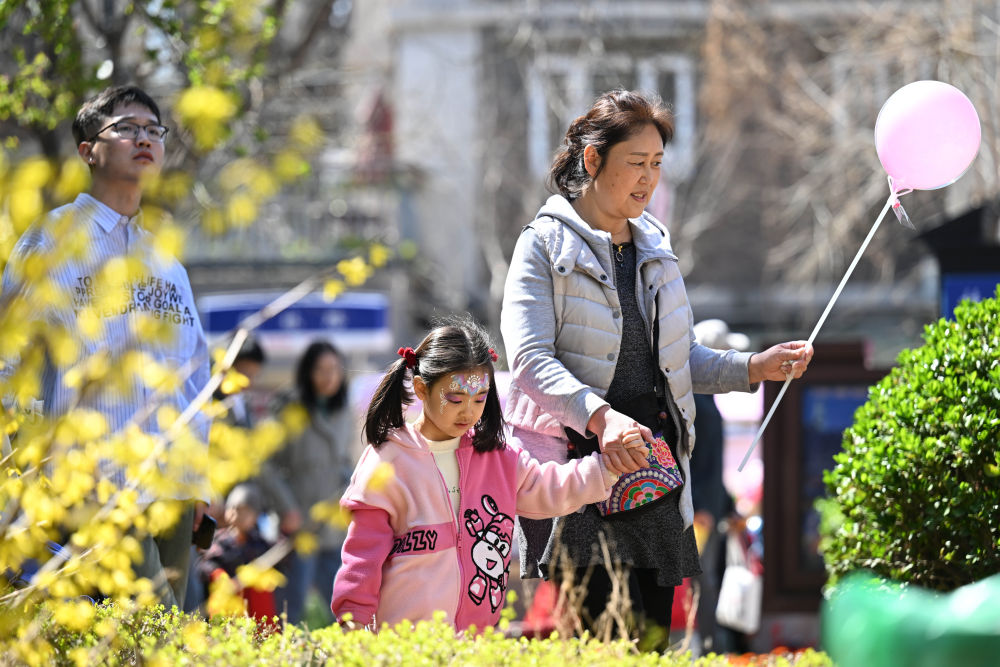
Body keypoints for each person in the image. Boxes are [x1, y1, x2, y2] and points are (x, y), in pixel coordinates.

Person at [500, 89, 813, 642]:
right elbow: (528, 359)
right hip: (579, 478)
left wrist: (753, 368)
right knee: (599, 644)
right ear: (593, 159)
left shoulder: (657, 247)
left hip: (654, 474)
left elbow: (680, 360)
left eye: (657, 164)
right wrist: (601, 418)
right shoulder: (542, 244)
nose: (648, 179)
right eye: (636, 163)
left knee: (650, 643)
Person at [0, 85, 212, 609]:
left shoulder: (168, 262)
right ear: (87, 150)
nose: (144, 139)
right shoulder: (51, 240)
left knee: (153, 641)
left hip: (172, 491)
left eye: (153, 130)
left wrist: (201, 483)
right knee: (148, 633)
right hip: (93, 486)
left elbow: (194, 378)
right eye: (126, 128)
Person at [330, 317, 625, 632]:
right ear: (421, 389)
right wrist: (353, 626)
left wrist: (608, 468)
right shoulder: (387, 461)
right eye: (455, 399)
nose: (468, 411)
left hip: (478, 641)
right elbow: (363, 557)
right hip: (407, 644)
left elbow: (549, 487)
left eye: (480, 398)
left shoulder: (498, 457)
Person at [259, 340, 355, 626]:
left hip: (334, 526)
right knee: (290, 608)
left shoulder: (343, 410)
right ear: (307, 373)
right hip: (299, 524)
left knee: (344, 607)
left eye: (335, 369)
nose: (329, 377)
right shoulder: (290, 409)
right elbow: (266, 464)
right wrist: (286, 508)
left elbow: (346, 462)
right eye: (321, 370)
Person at [690, 319, 750, 653]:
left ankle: (710, 648)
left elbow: (710, 465)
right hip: (698, 512)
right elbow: (687, 459)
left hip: (707, 510)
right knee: (702, 583)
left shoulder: (705, 399)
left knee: (706, 581)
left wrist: (727, 507)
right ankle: (706, 650)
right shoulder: (693, 401)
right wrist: (700, 505)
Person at [196, 483, 280, 633]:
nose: (236, 514)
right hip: (228, 596)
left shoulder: (261, 543)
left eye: (243, 511)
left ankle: (263, 635)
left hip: (253, 603)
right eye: (233, 509)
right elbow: (206, 564)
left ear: (255, 516)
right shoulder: (219, 540)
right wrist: (218, 575)